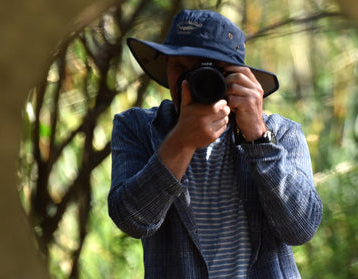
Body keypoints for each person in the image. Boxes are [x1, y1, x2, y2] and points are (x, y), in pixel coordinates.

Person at [108, 9, 322, 278]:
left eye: (208, 70)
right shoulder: (137, 128)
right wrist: (181, 142)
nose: (192, 81)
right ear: (166, 69)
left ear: (237, 77)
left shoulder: (282, 133)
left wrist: (258, 136)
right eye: (181, 69)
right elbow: (132, 220)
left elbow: (301, 228)